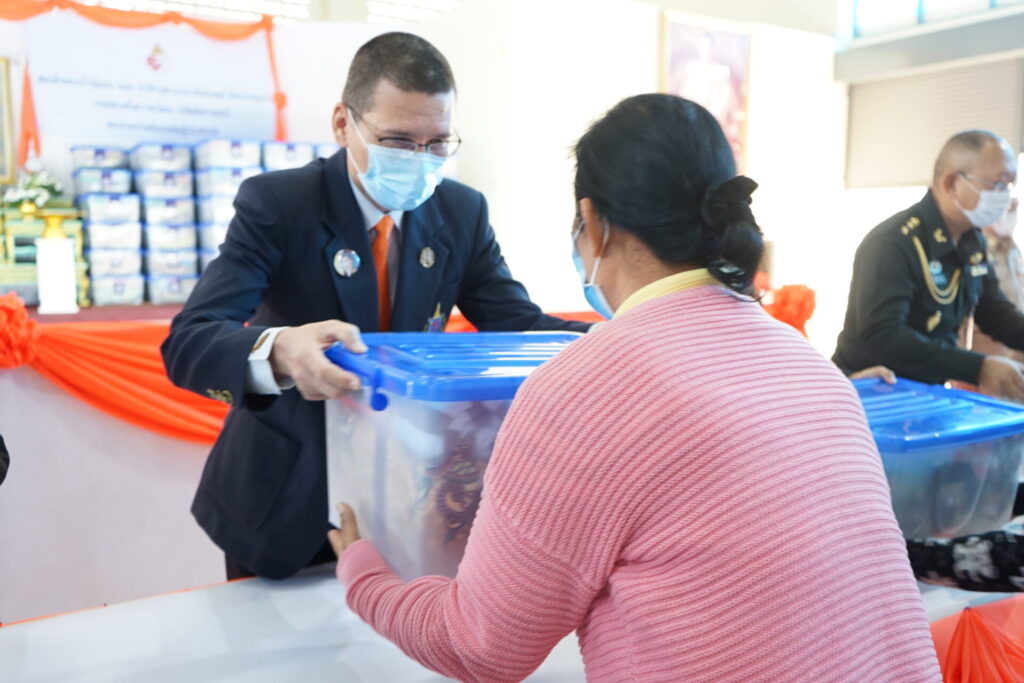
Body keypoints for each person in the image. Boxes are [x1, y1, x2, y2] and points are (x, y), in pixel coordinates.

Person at [328, 95, 940, 681]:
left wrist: (363, 572)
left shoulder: (583, 389)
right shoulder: (810, 364)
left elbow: (481, 646)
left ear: (592, 223)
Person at [161, 32, 587, 581]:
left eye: (437, 144)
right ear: (344, 124)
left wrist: (616, 338)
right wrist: (280, 351)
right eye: (397, 141)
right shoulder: (279, 204)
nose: (419, 161)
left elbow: (519, 325)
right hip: (285, 499)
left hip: (405, 502)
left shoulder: (460, 212)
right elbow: (191, 340)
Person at [834, 130, 1024, 401]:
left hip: (925, 394)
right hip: (871, 391)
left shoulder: (972, 240)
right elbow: (883, 336)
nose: (1005, 196)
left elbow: (995, 312)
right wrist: (978, 367)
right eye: (997, 184)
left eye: (1009, 185)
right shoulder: (893, 242)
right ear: (951, 182)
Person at [969, 198, 1024, 363]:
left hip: (1015, 341)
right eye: (1008, 210)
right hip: (986, 350)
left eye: (1013, 211)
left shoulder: (1011, 248)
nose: (1011, 216)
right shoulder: (975, 246)